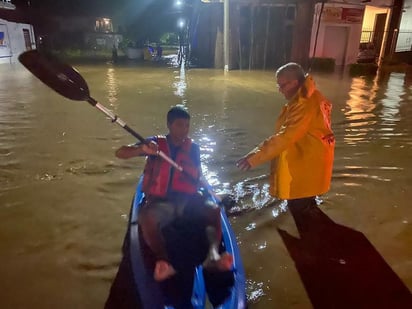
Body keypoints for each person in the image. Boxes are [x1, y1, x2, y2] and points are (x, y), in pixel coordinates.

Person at [116, 106, 233, 283]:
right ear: (169, 125)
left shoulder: (193, 148)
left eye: (187, 125)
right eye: (179, 125)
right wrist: (142, 150)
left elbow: (198, 175)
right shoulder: (155, 144)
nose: (184, 130)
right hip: (162, 203)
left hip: (188, 201)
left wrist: (211, 192)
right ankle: (164, 261)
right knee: (147, 217)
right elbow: (120, 153)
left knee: (214, 209)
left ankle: (213, 257)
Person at [236, 62, 335, 231]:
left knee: (300, 210)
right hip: (314, 160)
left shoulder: (303, 105)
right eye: (278, 85)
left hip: (307, 166)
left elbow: (285, 137)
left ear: (295, 82)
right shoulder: (312, 96)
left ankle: (314, 247)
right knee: (307, 205)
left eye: (283, 85)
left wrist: (254, 157)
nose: (280, 89)